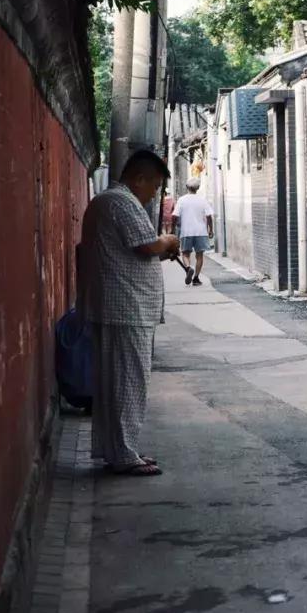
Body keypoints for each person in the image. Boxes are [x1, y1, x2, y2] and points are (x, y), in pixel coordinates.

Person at [79, 150, 179, 476]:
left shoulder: (108, 202)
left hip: (119, 306)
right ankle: (123, 455)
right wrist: (168, 240)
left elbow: (136, 254)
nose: (154, 194)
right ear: (139, 179)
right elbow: (147, 246)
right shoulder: (121, 202)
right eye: (154, 186)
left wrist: (159, 248)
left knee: (115, 384)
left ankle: (119, 450)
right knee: (128, 382)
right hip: (126, 310)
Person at [172, 178, 214, 286]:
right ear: (198, 188)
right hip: (201, 232)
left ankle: (188, 268)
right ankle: (196, 278)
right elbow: (209, 216)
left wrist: (173, 229)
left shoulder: (181, 200)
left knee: (185, 254)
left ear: (187, 187)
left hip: (186, 231)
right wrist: (211, 229)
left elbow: (174, 215)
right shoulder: (202, 200)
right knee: (199, 256)